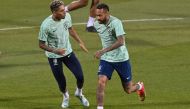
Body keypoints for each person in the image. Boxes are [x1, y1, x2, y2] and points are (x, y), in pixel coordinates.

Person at [93, 3, 146, 109]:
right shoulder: (96, 24)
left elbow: (121, 42)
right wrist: (105, 53)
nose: (97, 18)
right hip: (107, 59)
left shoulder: (116, 23)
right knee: (101, 82)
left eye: (100, 15)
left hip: (121, 59)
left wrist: (103, 51)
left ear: (107, 13)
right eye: (96, 15)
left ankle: (139, 86)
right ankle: (100, 107)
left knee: (128, 89)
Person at [38, 0, 89, 108]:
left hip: (68, 52)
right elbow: (41, 44)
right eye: (61, 11)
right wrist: (55, 51)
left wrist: (80, 42)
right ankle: (65, 96)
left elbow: (70, 29)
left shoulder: (67, 16)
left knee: (80, 77)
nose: (65, 12)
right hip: (54, 57)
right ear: (54, 12)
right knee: (61, 82)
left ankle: (79, 93)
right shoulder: (46, 25)